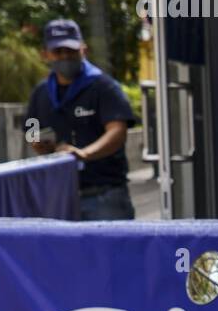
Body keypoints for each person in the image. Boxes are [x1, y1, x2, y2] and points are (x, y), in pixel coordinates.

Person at [24, 19, 137, 220]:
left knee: (110, 251)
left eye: (71, 51)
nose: (65, 57)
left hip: (104, 195)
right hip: (60, 196)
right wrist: (37, 142)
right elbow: (31, 125)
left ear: (83, 50)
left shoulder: (102, 87)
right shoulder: (41, 93)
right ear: (45, 54)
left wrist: (84, 154)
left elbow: (117, 130)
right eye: (58, 52)